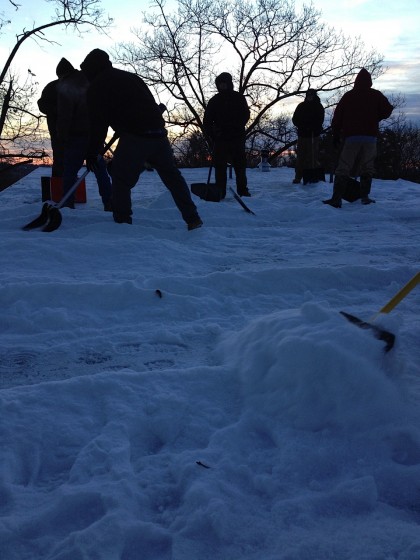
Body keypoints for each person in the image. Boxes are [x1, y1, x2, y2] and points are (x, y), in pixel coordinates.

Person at [80, 49, 203, 230]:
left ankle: (122, 223)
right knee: (173, 178)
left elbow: (98, 123)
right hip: (158, 135)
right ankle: (193, 218)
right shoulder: (131, 78)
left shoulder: (97, 86)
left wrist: (92, 152)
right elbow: (147, 104)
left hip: (135, 137)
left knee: (121, 180)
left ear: (91, 70)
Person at [323, 68, 394, 208]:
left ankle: (336, 198)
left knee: (344, 167)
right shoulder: (376, 95)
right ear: (370, 81)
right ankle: (365, 197)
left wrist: (336, 133)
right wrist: (376, 117)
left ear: (356, 81)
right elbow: (388, 109)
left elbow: (337, 117)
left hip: (352, 137)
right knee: (367, 167)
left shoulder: (349, 96)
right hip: (370, 138)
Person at [55, 59, 112, 210]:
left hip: (76, 135)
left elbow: (64, 115)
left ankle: (67, 205)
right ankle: (109, 202)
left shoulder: (67, 86)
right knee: (100, 170)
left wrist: (62, 136)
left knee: (70, 171)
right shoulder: (89, 79)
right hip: (95, 135)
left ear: (62, 75)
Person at [203, 72, 250, 199]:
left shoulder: (239, 98)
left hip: (236, 137)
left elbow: (245, 115)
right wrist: (213, 133)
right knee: (220, 167)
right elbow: (207, 121)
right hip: (220, 139)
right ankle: (220, 191)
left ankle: (243, 190)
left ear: (229, 84)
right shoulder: (214, 101)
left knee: (240, 166)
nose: (222, 86)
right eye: (220, 84)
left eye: (224, 83)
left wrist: (235, 127)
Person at [37, 58, 74, 177]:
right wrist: (57, 110)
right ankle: (60, 189)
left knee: (68, 161)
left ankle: (67, 188)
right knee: (60, 160)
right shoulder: (52, 87)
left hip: (75, 130)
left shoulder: (78, 85)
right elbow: (42, 105)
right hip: (59, 130)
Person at [292, 88, 325, 184]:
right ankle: (298, 177)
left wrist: (313, 127)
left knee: (312, 157)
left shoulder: (318, 107)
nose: (310, 97)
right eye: (308, 95)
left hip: (313, 135)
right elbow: (295, 119)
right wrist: (302, 126)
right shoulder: (301, 106)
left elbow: (320, 120)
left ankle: (312, 177)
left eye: (312, 95)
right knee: (301, 157)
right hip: (302, 135)